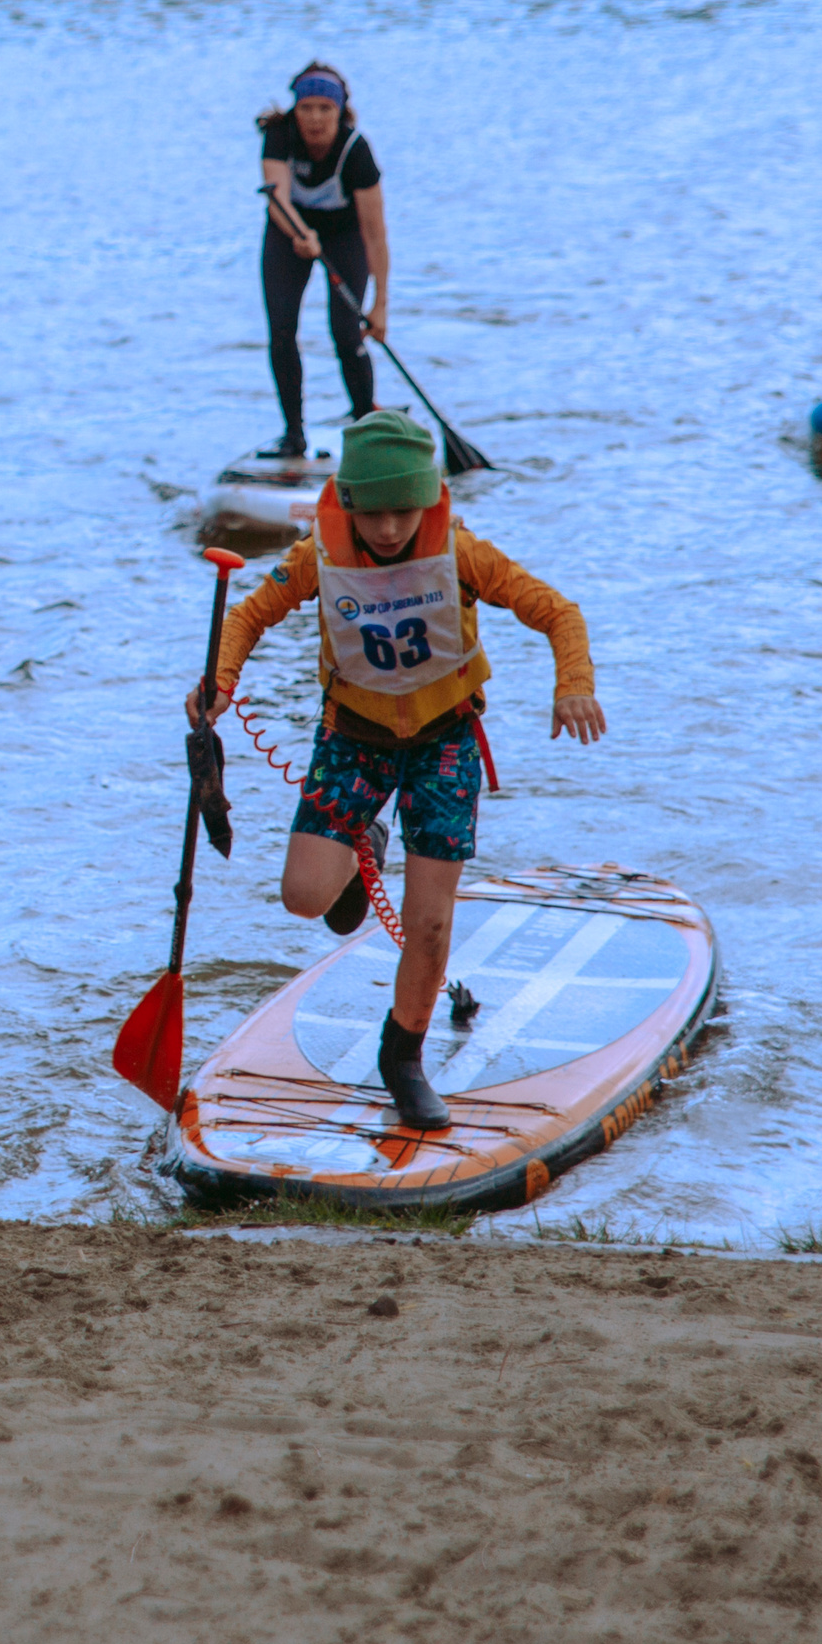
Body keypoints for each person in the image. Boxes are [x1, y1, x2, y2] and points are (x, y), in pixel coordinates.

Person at [188, 411, 603, 1133]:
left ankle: (404, 1057)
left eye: (403, 511)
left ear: (430, 499)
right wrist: (217, 681)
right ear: (348, 502)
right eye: (373, 512)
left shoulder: (463, 553)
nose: (387, 529)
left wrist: (574, 683)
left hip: (446, 741)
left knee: (431, 923)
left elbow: (559, 612)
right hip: (353, 737)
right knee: (303, 896)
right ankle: (361, 853)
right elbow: (250, 616)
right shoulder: (320, 553)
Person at [255, 63, 388, 458]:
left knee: (347, 334)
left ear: (340, 110)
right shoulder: (279, 136)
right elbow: (274, 195)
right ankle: (294, 436)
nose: (315, 118)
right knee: (282, 332)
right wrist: (300, 234)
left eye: (325, 109)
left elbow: (375, 233)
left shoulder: (356, 151)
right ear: (295, 110)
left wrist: (379, 305)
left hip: (345, 237)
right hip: (288, 233)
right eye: (306, 107)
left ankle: (367, 428)